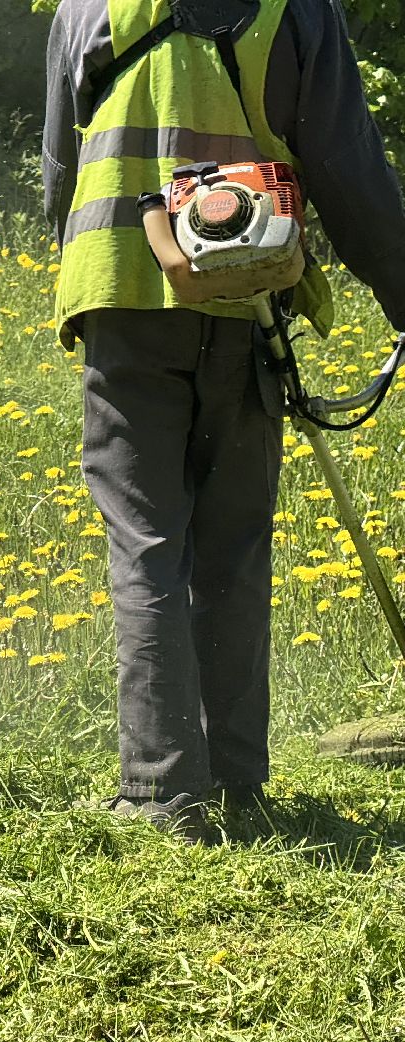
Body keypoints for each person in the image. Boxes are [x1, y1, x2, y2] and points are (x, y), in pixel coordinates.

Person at [44, 0, 405, 841]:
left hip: (125, 291)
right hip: (247, 295)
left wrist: (77, 253)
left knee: (145, 538)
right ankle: (237, 778)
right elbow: (351, 171)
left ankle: (163, 792)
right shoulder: (297, 10)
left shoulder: (85, 7)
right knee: (235, 544)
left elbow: (61, 161)